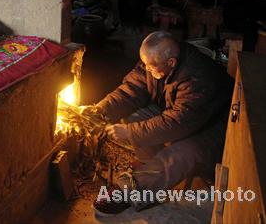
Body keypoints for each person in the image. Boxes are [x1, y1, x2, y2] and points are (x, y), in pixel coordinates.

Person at [90, 31, 233, 215]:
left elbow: (177, 123)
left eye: (150, 66)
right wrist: (100, 112)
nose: (146, 69)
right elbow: (130, 90)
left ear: (171, 62)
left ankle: (132, 190)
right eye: (145, 64)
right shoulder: (154, 63)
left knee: (181, 153)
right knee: (135, 116)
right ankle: (151, 171)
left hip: (213, 131)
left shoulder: (199, 77)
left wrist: (130, 132)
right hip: (182, 119)